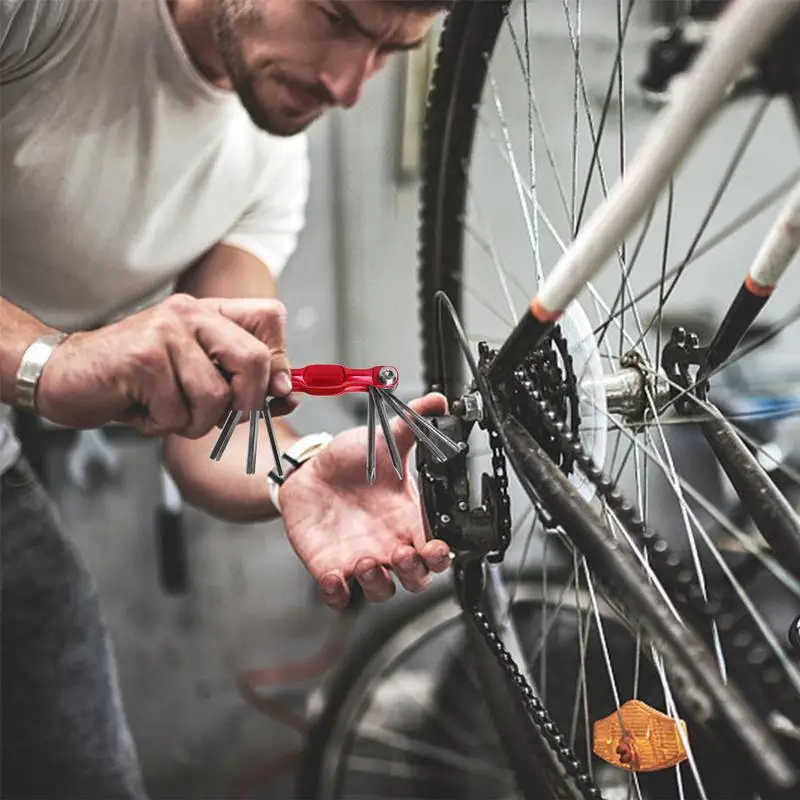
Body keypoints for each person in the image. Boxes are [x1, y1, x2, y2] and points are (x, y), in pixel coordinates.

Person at [0, 0, 453, 796]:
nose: (349, 86)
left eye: (390, 50)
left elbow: (224, 424)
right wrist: (51, 360)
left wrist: (298, 469)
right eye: (338, 18)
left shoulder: (269, 169)